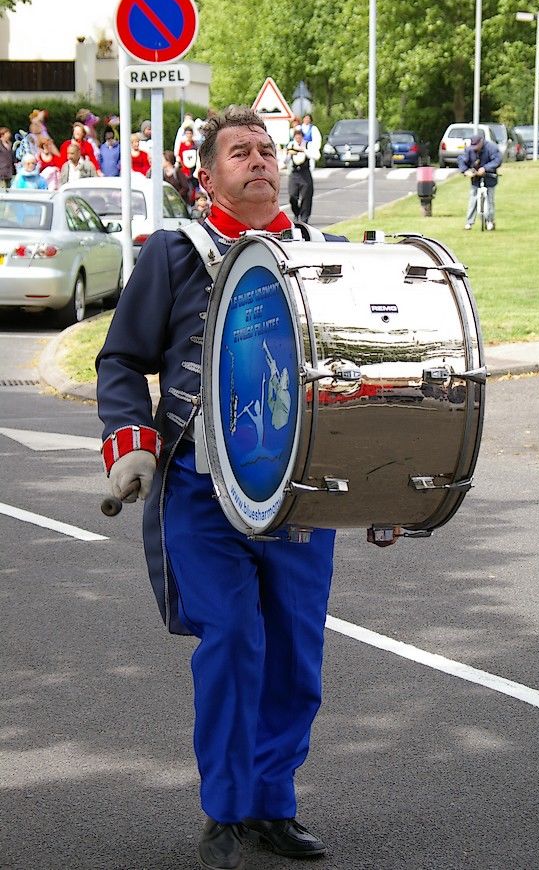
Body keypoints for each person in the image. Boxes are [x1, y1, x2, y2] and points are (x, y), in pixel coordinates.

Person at [96, 105, 347, 870]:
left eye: (268, 149)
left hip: (301, 491)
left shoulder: (325, 253)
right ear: (209, 176)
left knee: (296, 655)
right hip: (201, 490)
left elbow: (358, 373)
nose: (259, 160)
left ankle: (273, 805)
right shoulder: (175, 251)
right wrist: (132, 445)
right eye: (241, 151)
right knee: (234, 637)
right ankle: (228, 810)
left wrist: (378, 481)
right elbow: (120, 359)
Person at [457, 130, 502, 230]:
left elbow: (497, 160)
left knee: (490, 199)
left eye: (476, 146)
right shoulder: (469, 150)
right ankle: (469, 222)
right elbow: (462, 160)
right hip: (475, 178)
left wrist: (485, 168)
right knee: (473, 198)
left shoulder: (492, 147)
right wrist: (465, 171)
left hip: (489, 176)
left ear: (481, 142)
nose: (475, 149)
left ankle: (490, 221)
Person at [287, 127, 313, 223]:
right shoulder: (291, 145)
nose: (298, 139)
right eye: (296, 137)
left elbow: (315, 155)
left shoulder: (307, 145)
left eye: (299, 137)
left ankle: (304, 218)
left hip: (305, 172)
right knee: (292, 196)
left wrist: (304, 150)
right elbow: (286, 159)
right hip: (294, 173)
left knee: (306, 196)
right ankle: (296, 213)